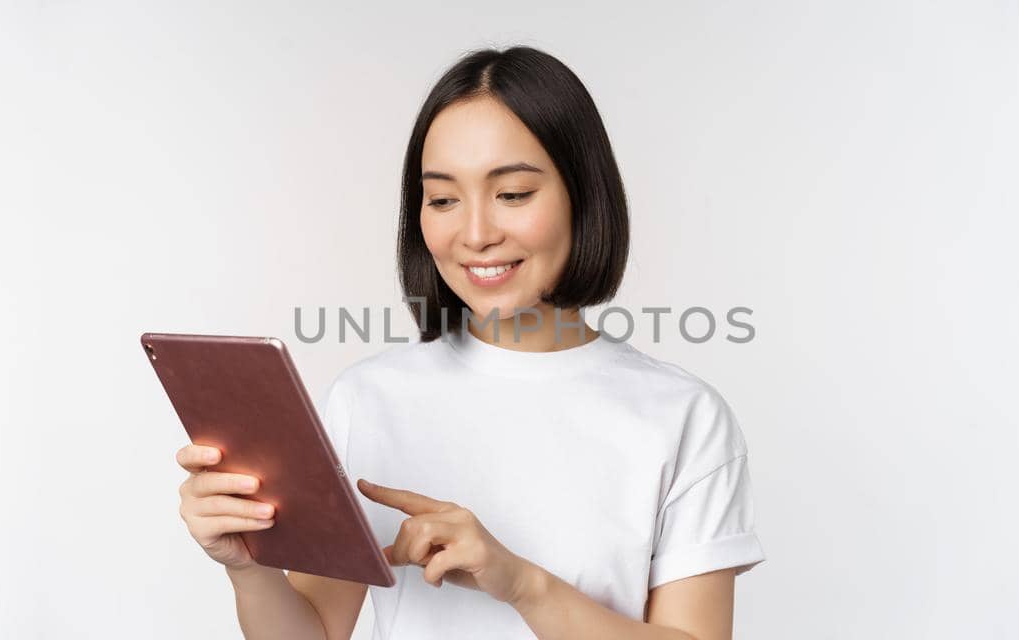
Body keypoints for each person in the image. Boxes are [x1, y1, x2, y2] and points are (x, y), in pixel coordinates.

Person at [174, 46, 765, 639]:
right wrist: (248, 572)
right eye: (443, 199)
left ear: (583, 197)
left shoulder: (683, 416)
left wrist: (519, 581)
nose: (476, 234)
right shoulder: (367, 399)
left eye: (512, 194)